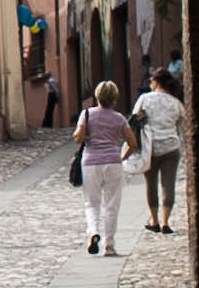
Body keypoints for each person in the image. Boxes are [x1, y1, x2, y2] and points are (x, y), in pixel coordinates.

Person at [69, 77, 133, 256]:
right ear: (115, 98)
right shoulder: (119, 118)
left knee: (91, 203)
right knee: (112, 205)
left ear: (97, 96)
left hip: (90, 162)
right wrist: (122, 156)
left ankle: (94, 232)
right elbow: (132, 142)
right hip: (113, 161)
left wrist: (83, 136)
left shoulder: (87, 114)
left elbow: (78, 137)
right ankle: (109, 246)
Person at [134, 64, 184, 232]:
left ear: (155, 81)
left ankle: (154, 220)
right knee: (168, 184)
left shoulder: (145, 99)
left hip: (150, 148)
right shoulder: (176, 103)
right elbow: (180, 126)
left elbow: (134, 119)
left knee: (151, 184)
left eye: (151, 81)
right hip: (171, 148)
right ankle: (165, 222)